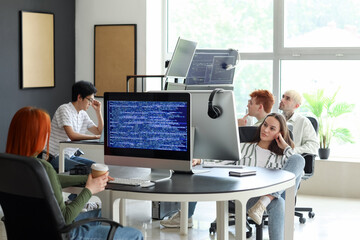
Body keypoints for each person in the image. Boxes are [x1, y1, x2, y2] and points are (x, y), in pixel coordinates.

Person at [5, 106, 143, 240]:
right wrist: (89, 190)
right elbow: (65, 217)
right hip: (61, 234)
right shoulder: (43, 167)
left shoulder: (11, 165)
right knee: (134, 234)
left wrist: (86, 178)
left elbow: (52, 179)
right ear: (38, 136)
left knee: (102, 214)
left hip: (29, 231)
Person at [49, 80, 103, 172]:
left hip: (70, 155)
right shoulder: (64, 109)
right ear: (79, 97)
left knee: (97, 167)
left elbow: (99, 131)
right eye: (90, 100)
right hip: (54, 156)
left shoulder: (82, 114)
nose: (91, 103)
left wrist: (98, 111)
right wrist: (95, 137)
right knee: (87, 170)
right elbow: (72, 136)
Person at [279, 90, 319, 155]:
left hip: (292, 159)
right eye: (283, 96)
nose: (282, 100)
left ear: (296, 106)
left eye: (287, 98)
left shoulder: (303, 122)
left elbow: (313, 146)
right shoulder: (275, 120)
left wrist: (291, 151)